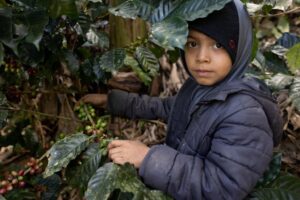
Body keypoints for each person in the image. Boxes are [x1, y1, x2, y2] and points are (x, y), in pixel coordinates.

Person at [79, 0, 283, 199]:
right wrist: (114, 102)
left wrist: (148, 159)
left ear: (239, 49)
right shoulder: (199, 88)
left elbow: (221, 188)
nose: (202, 57)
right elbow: (171, 108)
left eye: (218, 45)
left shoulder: (246, 114)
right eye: (193, 43)